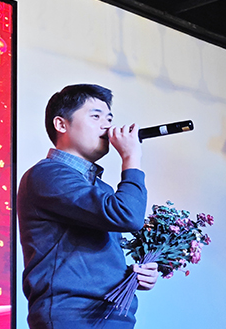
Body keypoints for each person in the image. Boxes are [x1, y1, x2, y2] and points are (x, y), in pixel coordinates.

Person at [18, 84, 158, 329]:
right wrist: (131, 158)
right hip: (71, 314)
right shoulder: (47, 174)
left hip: (113, 314)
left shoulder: (101, 188)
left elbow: (97, 254)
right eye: (96, 116)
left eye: (109, 119)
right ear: (61, 124)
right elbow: (128, 216)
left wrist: (135, 275)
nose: (107, 126)